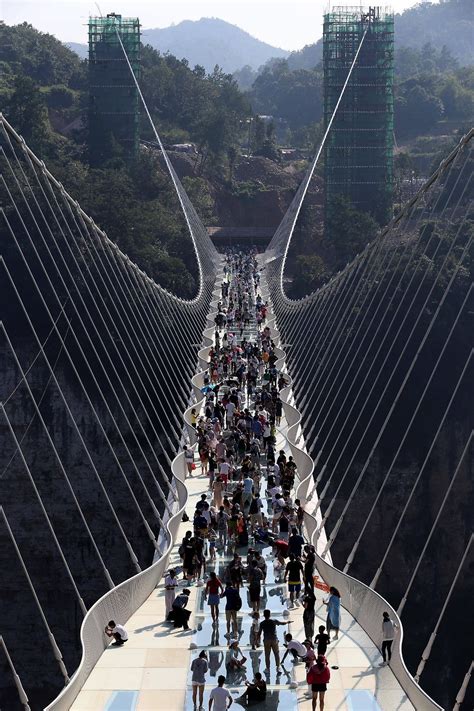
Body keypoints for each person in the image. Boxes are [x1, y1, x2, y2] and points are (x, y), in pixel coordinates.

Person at [257, 608, 291, 673]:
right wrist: (287, 622)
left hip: (266, 640)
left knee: (267, 655)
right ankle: (278, 667)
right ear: (270, 615)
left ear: (264, 615)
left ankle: (267, 669)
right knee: (276, 654)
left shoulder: (262, 623)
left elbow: (259, 633)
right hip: (274, 639)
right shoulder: (273, 621)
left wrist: (256, 641)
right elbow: (282, 623)